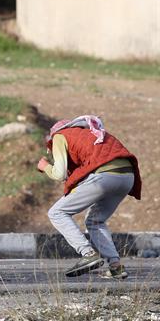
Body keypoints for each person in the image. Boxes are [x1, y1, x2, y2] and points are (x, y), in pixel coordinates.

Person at [37, 116, 141, 279]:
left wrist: (45, 167)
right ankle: (116, 267)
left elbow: (59, 173)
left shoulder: (59, 135)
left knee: (57, 213)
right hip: (127, 176)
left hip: (105, 176)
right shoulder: (92, 133)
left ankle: (88, 253)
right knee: (95, 221)